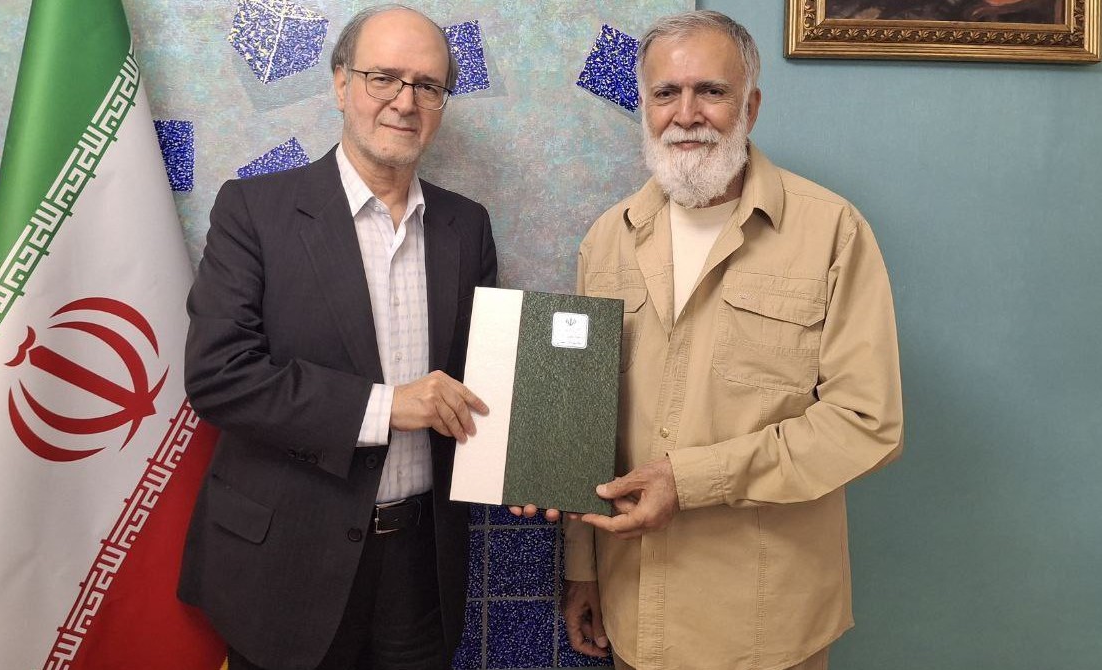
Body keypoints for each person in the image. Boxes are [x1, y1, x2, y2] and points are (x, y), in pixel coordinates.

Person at [553, 11, 903, 670]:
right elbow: (585, 424)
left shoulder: (832, 231)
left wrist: (688, 480)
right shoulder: (606, 240)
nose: (686, 115)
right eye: (665, 93)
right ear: (645, 106)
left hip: (767, 626)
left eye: (711, 91)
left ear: (751, 105)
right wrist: (582, 571)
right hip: (632, 612)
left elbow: (867, 424)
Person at [177, 5, 497, 669]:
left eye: (427, 86)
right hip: (283, 566)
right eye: (384, 78)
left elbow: (482, 380)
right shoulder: (253, 211)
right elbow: (219, 378)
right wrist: (387, 407)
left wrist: (531, 464)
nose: (405, 102)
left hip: (420, 570)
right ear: (341, 83)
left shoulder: (466, 226)